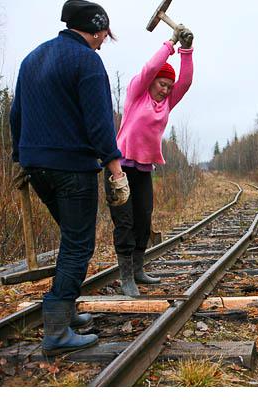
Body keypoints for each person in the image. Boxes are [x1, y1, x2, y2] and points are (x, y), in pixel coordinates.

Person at [10, 0, 130, 356]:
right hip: (71, 167)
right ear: (95, 29)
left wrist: (21, 156)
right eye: (104, 35)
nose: (103, 42)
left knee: (70, 238)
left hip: (36, 165)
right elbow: (99, 122)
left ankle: (65, 310)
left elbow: (17, 114)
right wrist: (115, 167)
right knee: (79, 244)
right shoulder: (87, 61)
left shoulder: (32, 57)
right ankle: (57, 330)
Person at [105, 24, 194, 295]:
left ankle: (139, 269)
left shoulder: (166, 103)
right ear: (153, 81)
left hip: (143, 169)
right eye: (162, 83)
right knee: (125, 221)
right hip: (119, 168)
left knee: (143, 218)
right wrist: (170, 44)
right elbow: (148, 68)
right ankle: (126, 278)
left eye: (169, 86)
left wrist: (187, 50)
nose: (166, 90)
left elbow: (186, 82)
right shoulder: (136, 94)